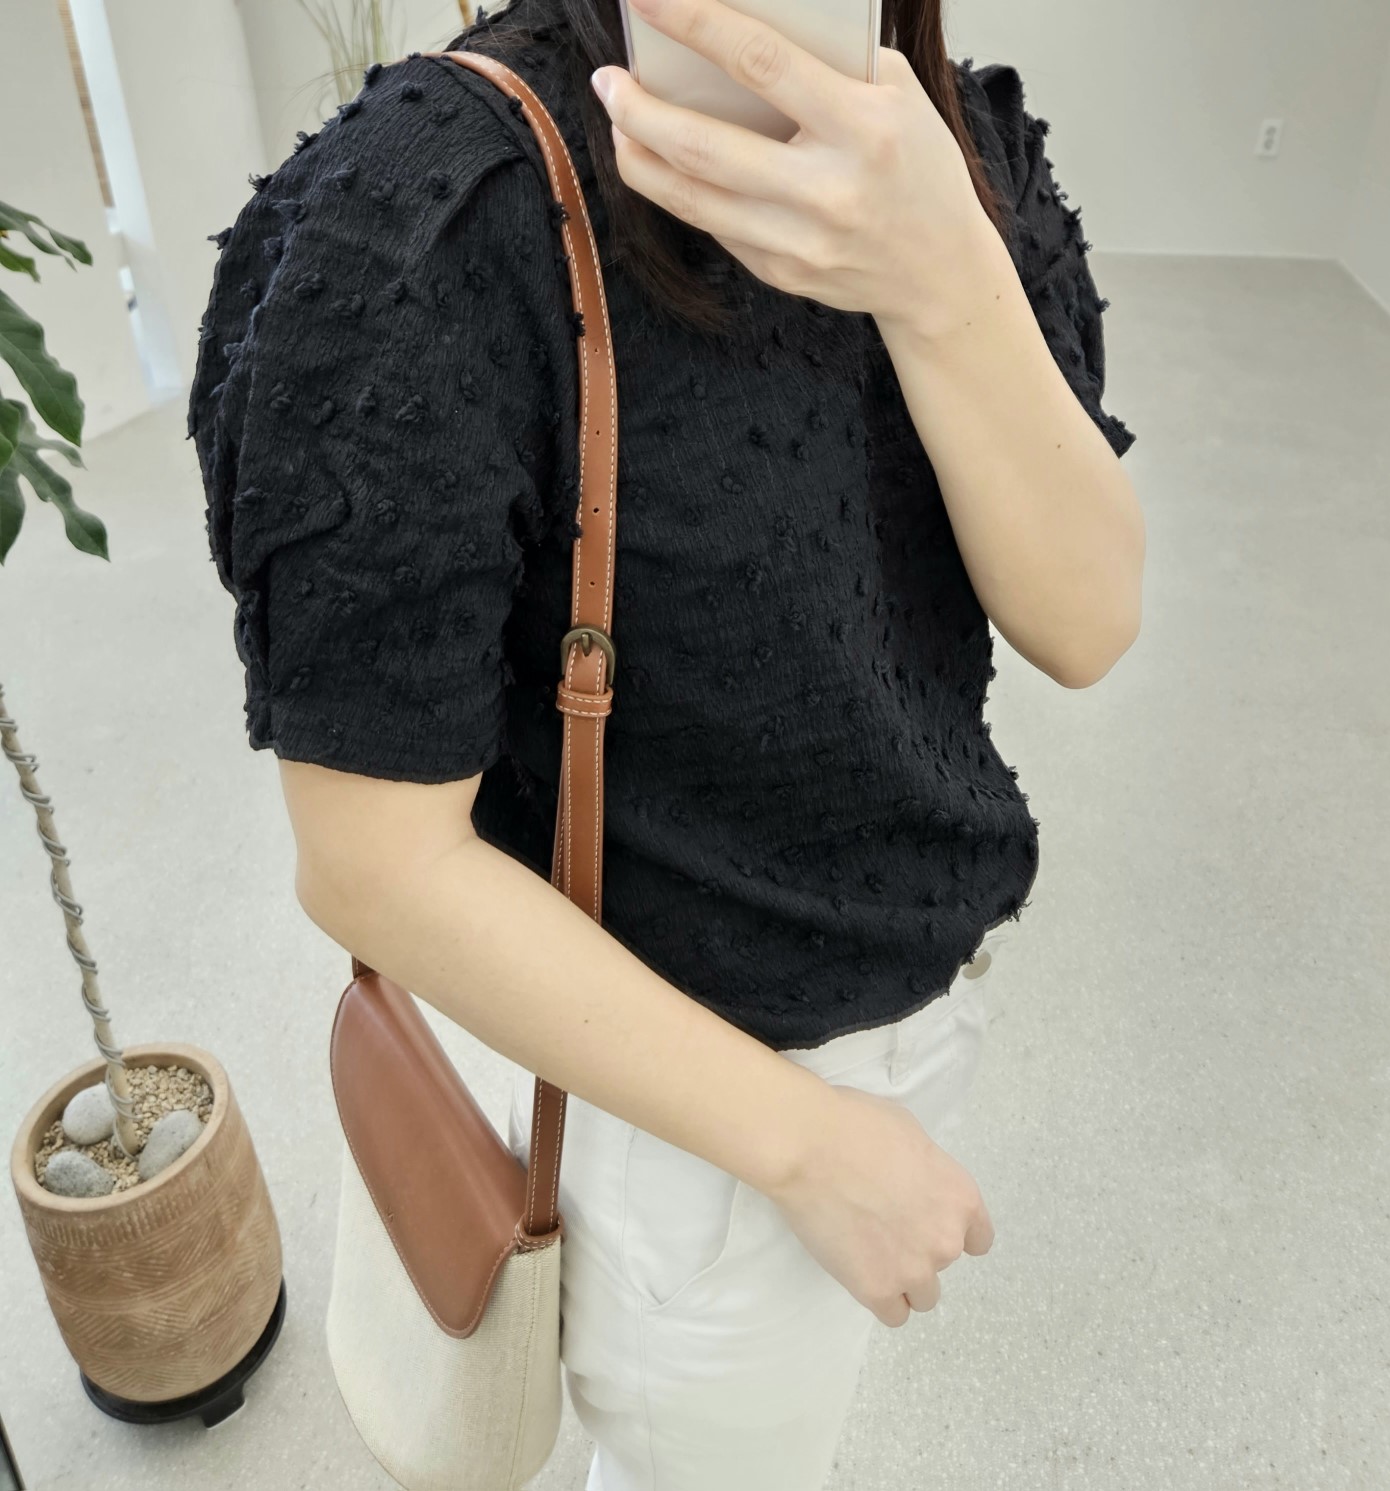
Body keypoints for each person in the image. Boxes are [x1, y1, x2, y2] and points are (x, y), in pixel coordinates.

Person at [188, 0, 1143, 1483]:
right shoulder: (432, 214)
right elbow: (375, 862)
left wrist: (940, 275)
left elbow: (1087, 621)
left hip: (904, 1018)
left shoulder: (962, 147)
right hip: (679, 1120)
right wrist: (810, 1147)